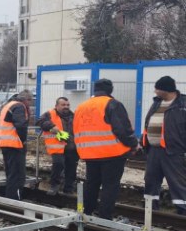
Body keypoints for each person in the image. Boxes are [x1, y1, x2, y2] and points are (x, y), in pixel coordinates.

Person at [73, 78, 140, 220]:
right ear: (110, 90)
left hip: (89, 153)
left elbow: (76, 130)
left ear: (95, 90)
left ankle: (86, 212)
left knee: (92, 184)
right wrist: (133, 144)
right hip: (112, 153)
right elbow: (122, 129)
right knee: (110, 186)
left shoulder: (81, 107)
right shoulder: (112, 104)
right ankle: (105, 217)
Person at [141, 75, 186, 215]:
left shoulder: (182, 104)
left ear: (165, 90)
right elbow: (148, 122)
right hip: (153, 149)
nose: (155, 91)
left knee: (176, 180)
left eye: (157, 88)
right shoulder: (157, 103)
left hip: (173, 150)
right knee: (151, 178)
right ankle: (150, 206)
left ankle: (182, 209)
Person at [38, 97, 79, 196]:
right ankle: (54, 186)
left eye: (68, 105)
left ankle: (68, 189)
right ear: (56, 106)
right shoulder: (49, 114)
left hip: (72, 147)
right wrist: (51, 126)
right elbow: (40, 121)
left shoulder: (74, 116)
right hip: (57, 147)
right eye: (63, 105)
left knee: (71, 168)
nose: (66, 107)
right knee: (58, 164)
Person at [0, 90, 32, 200]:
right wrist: (23, 140)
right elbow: (21, 125)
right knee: (17, 175)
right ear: (26, 100)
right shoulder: (20, 107)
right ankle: (14, 200)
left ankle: (10, 198)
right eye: (30, 101)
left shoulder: (9, 104)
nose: (30, 104)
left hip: (5, 143)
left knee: (11, 173)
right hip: (14, 144)